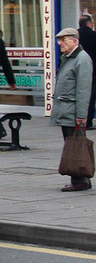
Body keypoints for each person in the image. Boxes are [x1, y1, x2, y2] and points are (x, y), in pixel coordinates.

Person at [50, 27, 93, 191]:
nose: (60, 43)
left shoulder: (82, 59)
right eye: (59, 39)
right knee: (72, 145)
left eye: (63, 39)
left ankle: (80, 179)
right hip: (66, 110)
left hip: (73, 111)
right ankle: (79, 178)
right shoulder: (69, 58)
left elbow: (83, 90)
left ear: (74, 41)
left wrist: (81, 115)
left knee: (77, 145)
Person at [77, 15, 96, 129]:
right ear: (89, 23)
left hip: (77, 70)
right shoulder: (94, 36)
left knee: (79, 94)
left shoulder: (74, 36)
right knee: (90, 95)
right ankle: (88, 121)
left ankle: (78, 119)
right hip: (93, 70)